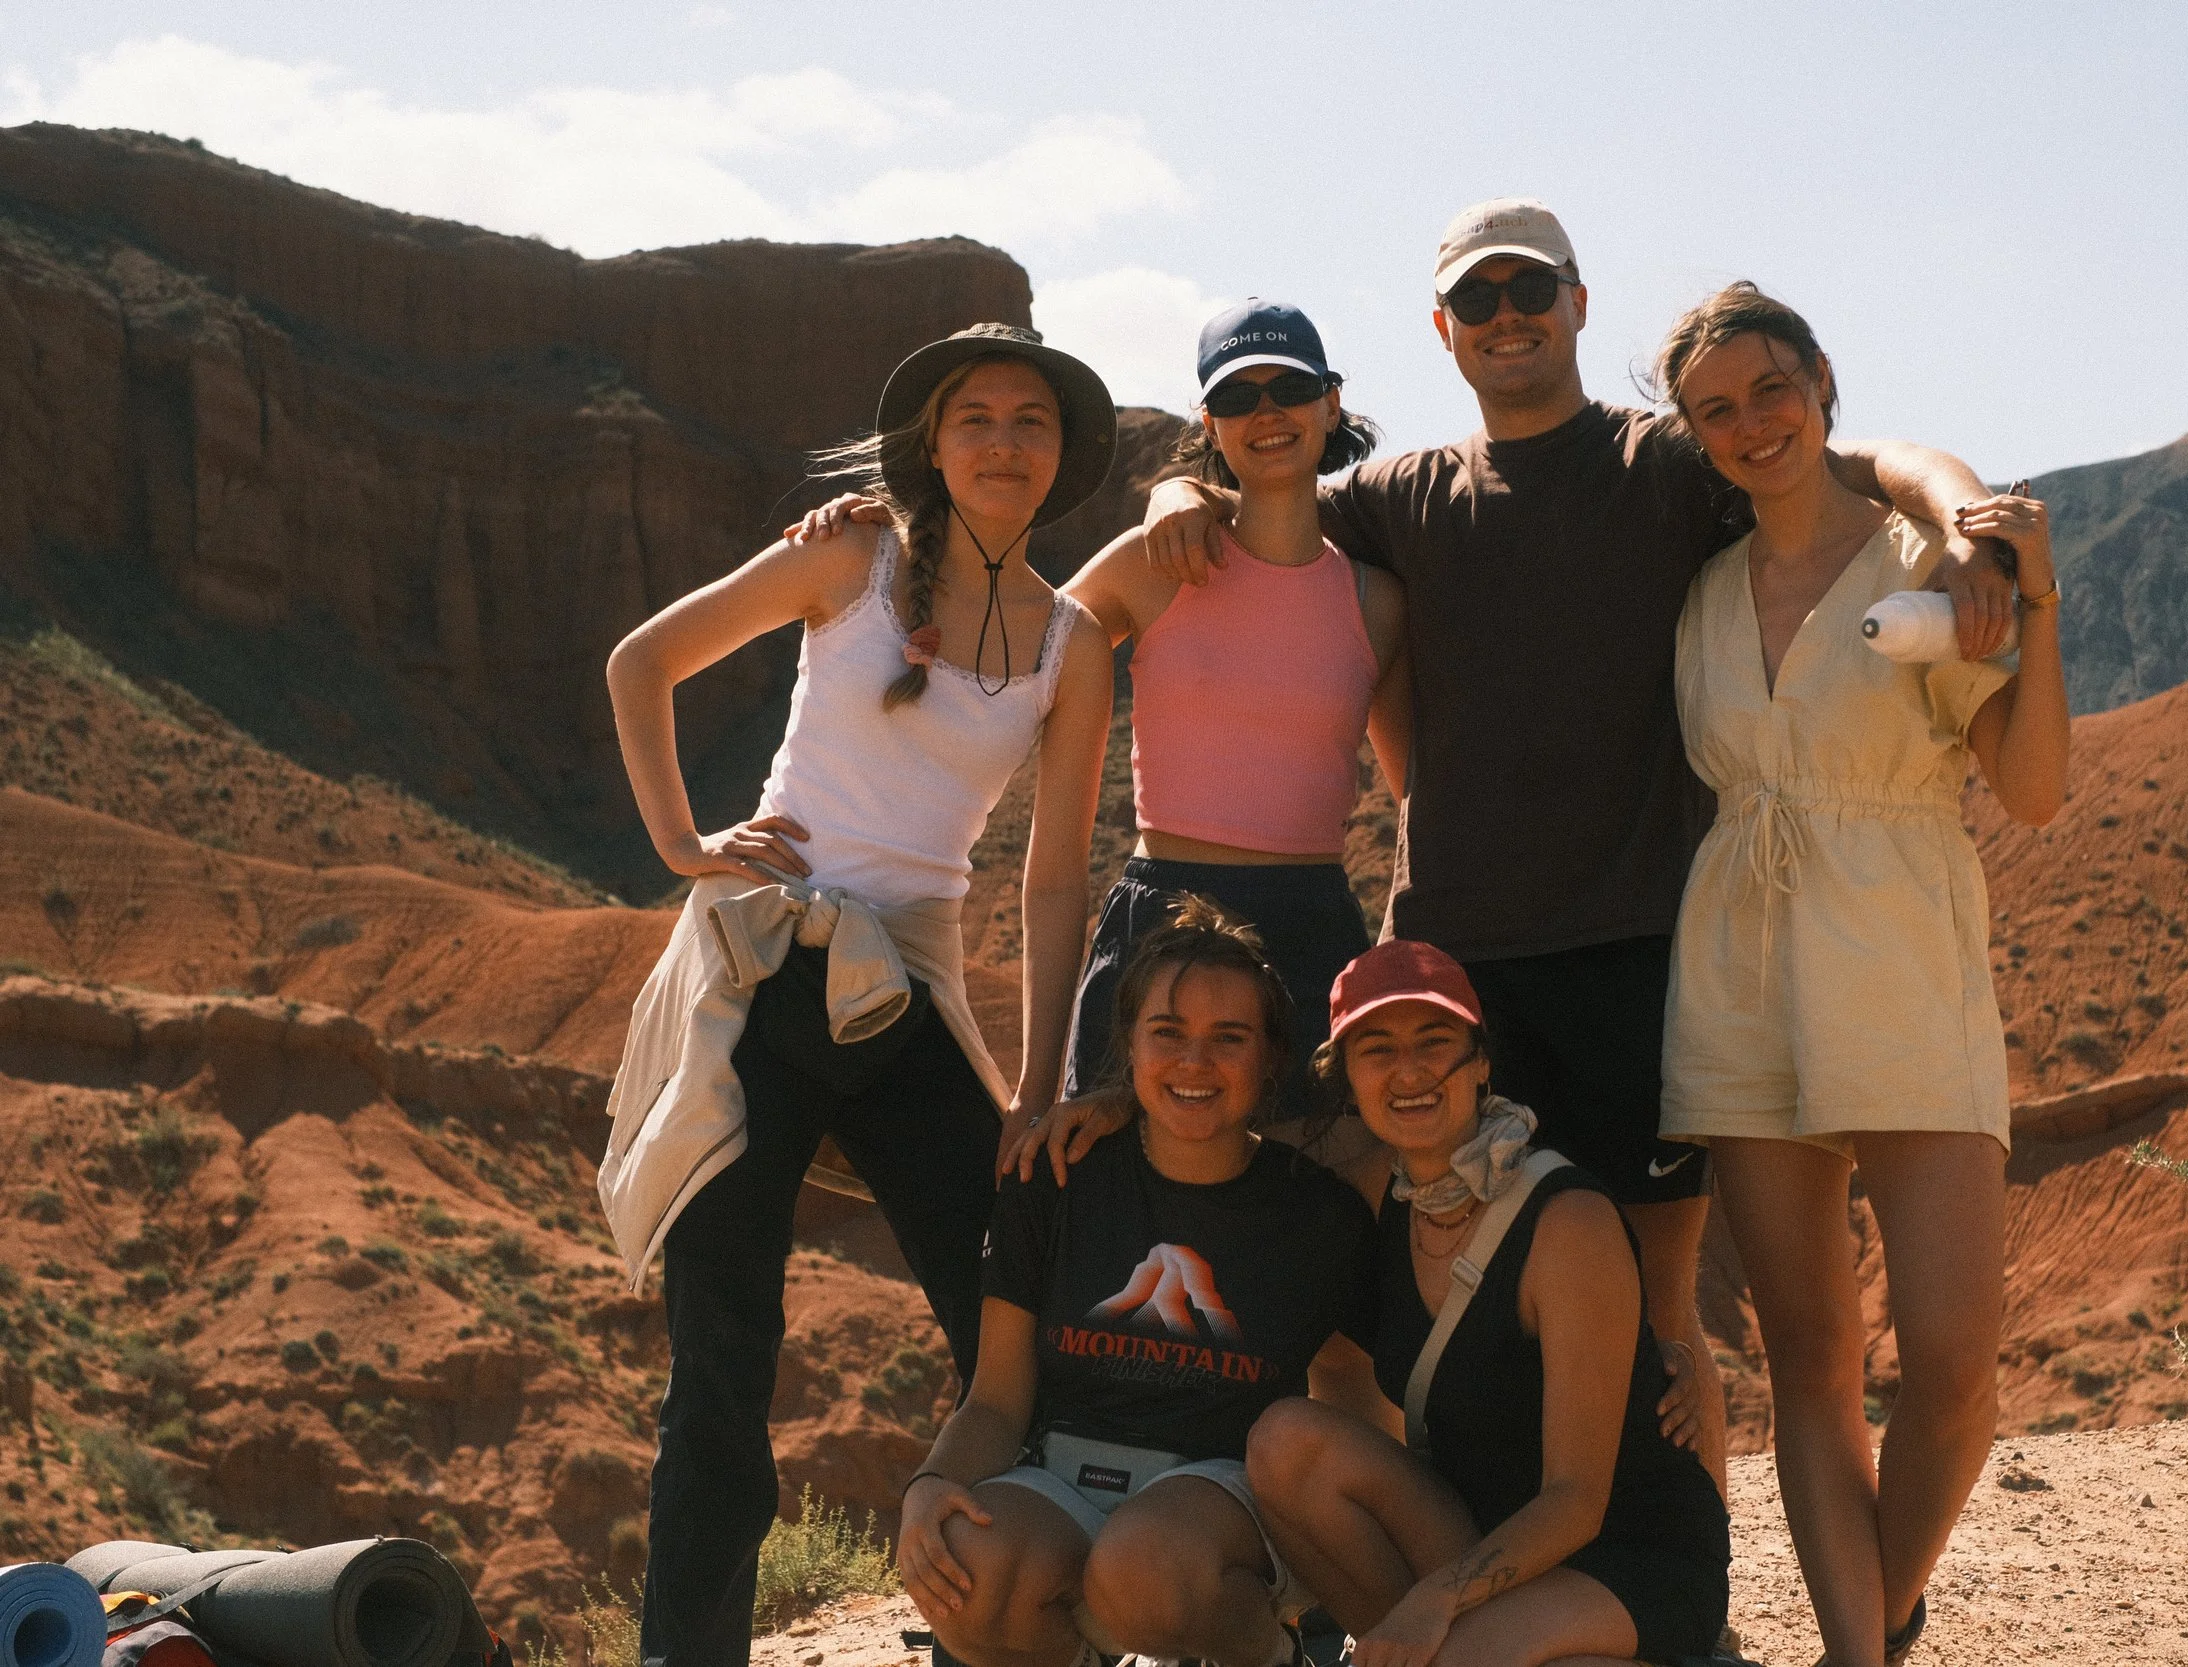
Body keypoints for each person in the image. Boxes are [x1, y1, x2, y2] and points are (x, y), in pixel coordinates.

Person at [1138, 198, 2019, 1493]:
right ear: (1442, 329)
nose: (1507, 318)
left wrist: (1965, 513)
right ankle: (1473, 1574)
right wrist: (1172, 481)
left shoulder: (1670, 462)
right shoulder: (1403, 496)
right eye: (1478, 300)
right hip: (1454, 966)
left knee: (1664, 1306)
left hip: (1639, 952)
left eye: (1529, 293)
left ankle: (1683, 1600)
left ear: (1577, 304)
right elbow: (1267, 488)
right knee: (1445, 1291)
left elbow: (1859, 457)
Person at [601, 322, 1117, 1666]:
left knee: (1007, 1308)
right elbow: (640, 661)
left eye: (1032, 421)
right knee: (724, 1359)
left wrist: (1040, 1082)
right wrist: (682, 842)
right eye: (977, 418)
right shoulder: (852, 559)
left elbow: (1052, 879)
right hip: (765, 970)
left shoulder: (1072, 642)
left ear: (1062, 458)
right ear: (934, 445)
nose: (1004, 440)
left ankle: (997, 1623)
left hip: (911, 992)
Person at [1649, 282, 2070, 1667]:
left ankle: (1876, 1613)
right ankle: (1859, 1653)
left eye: (1771, 389)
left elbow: (2034, 789)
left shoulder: (1924, 562)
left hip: (1900, 960)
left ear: (1823, 382)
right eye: (1717, 409)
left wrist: (2039, 603)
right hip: (1737, 980)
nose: (1752, 424)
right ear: (1696, 435)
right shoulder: (1700, 590)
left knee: (1952, 1365)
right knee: (1809, 1359)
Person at [896, 900, 1376, 1667]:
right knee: (973, 1566)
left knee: (1143, 1563)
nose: (1195, 1061)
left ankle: (1271, 1657)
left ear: (1269, 1059)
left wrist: (1350, 1559)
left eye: (1229, 1038)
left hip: (1224, 1504)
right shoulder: (1052, 1179)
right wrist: (932, 1481)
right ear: (1128, 1043)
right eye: (1168, 1033)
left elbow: (1353, 1391)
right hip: (1062, 1476)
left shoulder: (1317, 1214)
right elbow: (995, 1396)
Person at [1246, 939, 1730, 1667]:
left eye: (1433, 1041)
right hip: (1482, 1531)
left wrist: (1432, 1599)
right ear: (1347, 1077)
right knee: (1284, 1442)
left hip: (1625, 1555)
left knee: (1459, 1655)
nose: (1408, 1069)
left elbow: (1577, 1497)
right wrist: (1105, 1110)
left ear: (1480, 1061)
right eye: (1376, 1048)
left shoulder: (1565, 1221)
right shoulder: (1377, 1195)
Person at [1059, 298, 1408, 1142]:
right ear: (1209, 422)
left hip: (1311, 920)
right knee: (1118, 1192)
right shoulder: (1152, 565)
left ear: (1329, 403)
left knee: (1298, 1204)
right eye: (1237, 397)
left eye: (1286, 387)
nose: (1266, 412)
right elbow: (1002, 663)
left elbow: (1416, 796)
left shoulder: (1378, 601)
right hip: (1160, 914)